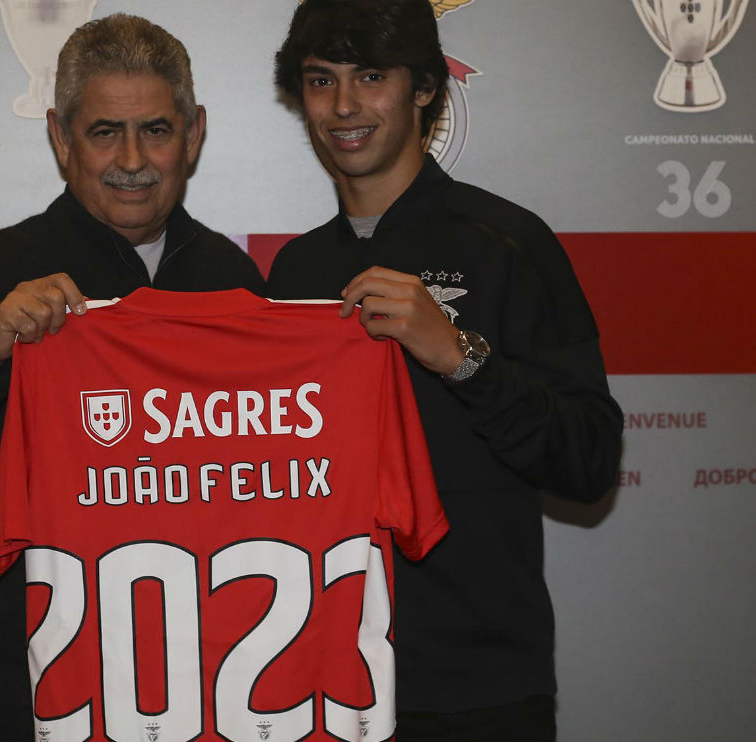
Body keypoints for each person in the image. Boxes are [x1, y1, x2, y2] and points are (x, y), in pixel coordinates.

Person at [0, 14, 264, 740]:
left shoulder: (234, 285)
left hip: (194, 690)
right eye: (105, 131)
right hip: (4, 693)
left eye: (157, 131)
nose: (132, 158)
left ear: (194, 134)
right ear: (60, 136)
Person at [268, 1, 624, 738]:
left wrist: (462, 357)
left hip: (476, 686)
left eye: (371, 76)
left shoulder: (510, 243)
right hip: (317, 679)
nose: (343, 106)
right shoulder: (296, 269)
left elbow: (590, 460)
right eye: (320, 79)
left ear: (425, 87)